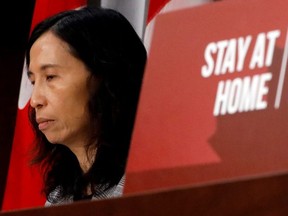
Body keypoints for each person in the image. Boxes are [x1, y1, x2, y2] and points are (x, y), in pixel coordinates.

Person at [26, 6, 147, 206]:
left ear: (107, 77)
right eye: (33, 81)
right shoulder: (57, 199)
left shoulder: (155, 188)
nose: (35, 100)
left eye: (50, 77)